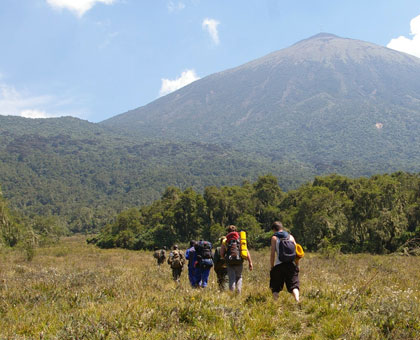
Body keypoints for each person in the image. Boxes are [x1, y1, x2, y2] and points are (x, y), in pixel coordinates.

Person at [270, 221, 300, 303]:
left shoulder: (274, 238)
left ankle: (275, 303)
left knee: (275, 287)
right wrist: (296, 264)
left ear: (274, 229)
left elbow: (272, 253)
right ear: (281, 228)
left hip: (279, 265)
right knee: (294, 285)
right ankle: (297, 300)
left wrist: (272, 266)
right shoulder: (291, 237)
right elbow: (297, 252)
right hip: (291, 264)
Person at [220, 225, 253, 293]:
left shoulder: (225, 240)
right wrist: (250, 262)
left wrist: (225, 259)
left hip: (229, 261)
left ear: (228, 232)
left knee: (231, 278)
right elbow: (246, 251)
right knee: (239, 277)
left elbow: (222, 253)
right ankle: (238, 292)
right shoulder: (240, 239)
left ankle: (232, 294)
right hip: (239, 261)